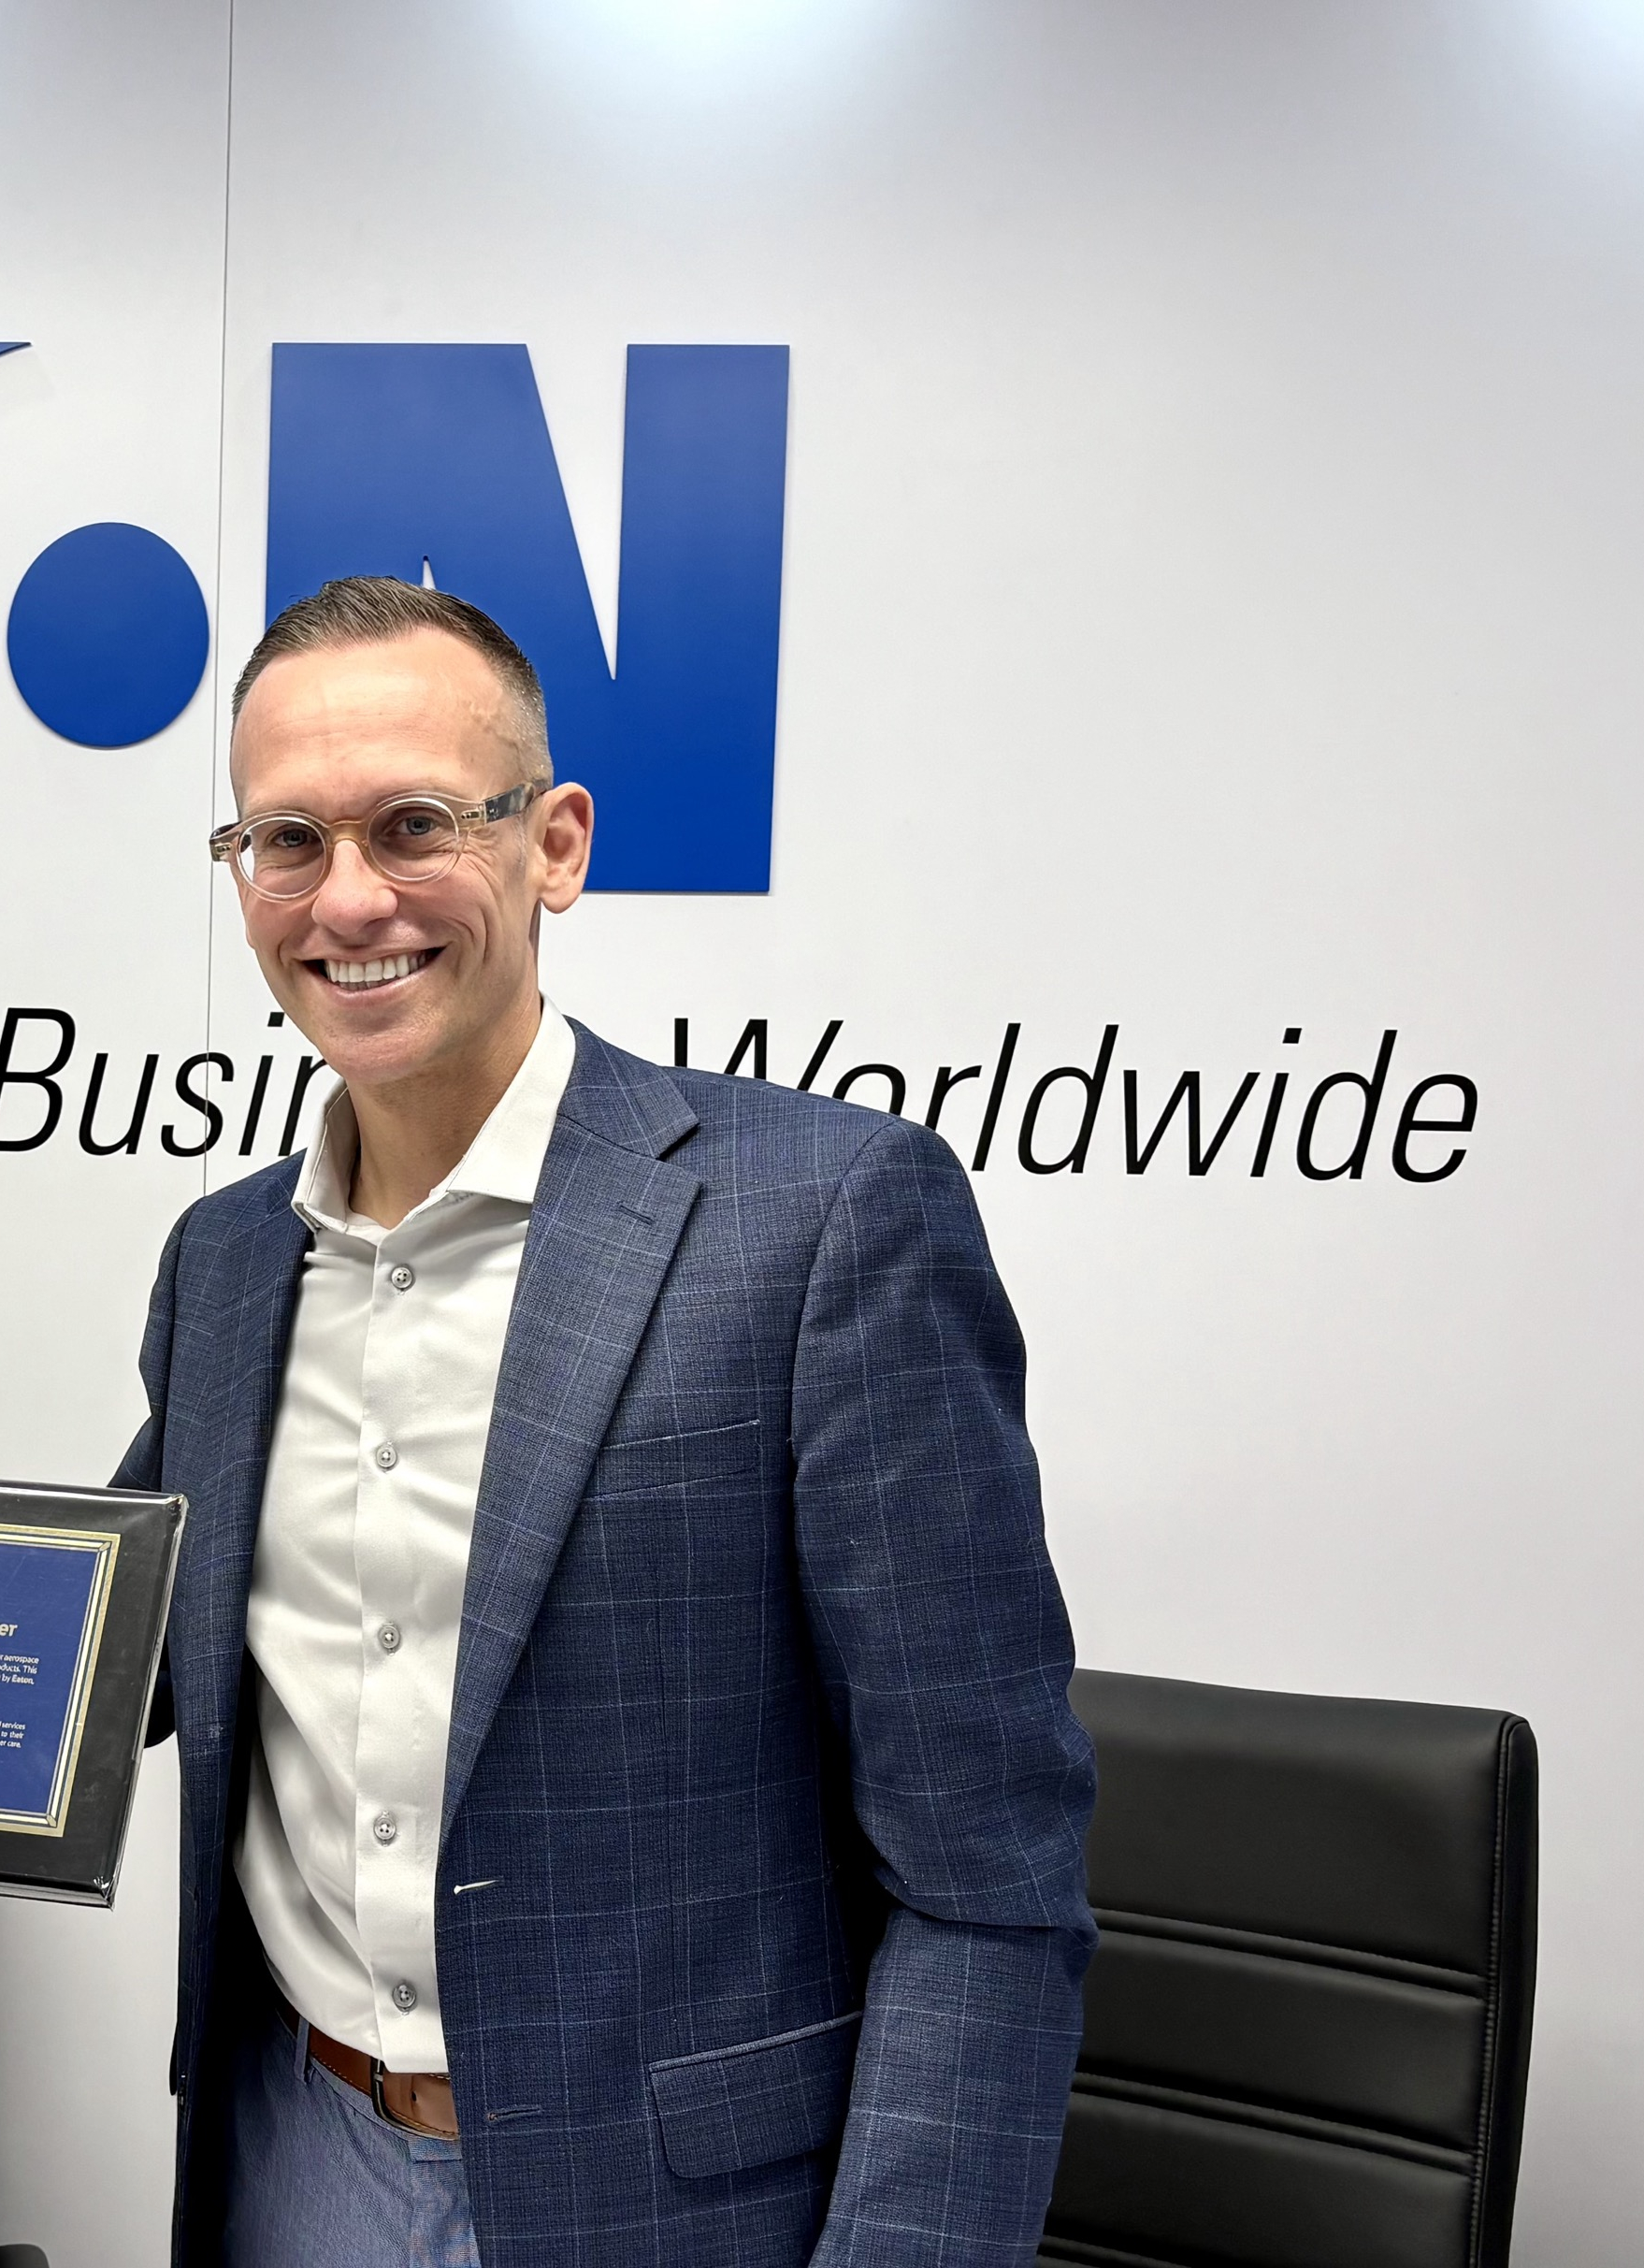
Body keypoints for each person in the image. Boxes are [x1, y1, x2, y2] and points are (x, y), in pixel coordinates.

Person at [116, 578, 1097, 2268]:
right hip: (292, 2161)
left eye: (413, 823)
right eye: (287, 840)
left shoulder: (825, 1222)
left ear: (553, 844)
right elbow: (94, 1655)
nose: (347, 898)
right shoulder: (226, 1262)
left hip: (675, 2214)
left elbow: (989, 1880)